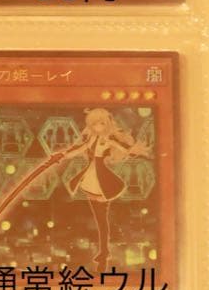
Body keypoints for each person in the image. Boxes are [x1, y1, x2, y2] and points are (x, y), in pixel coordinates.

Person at [61, 107, 151, 270]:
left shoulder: (107, 140)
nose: (98, 127)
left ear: (107, 124)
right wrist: (62, 155)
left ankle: (104, 251)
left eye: (101, 123)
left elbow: (123, 148)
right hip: (91, 178)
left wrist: (133, 150)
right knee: (100, 219)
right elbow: (79, 149)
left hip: (102, 179)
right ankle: (104, 251)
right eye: (94, 124)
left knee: (102, 220)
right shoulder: (91, 139)